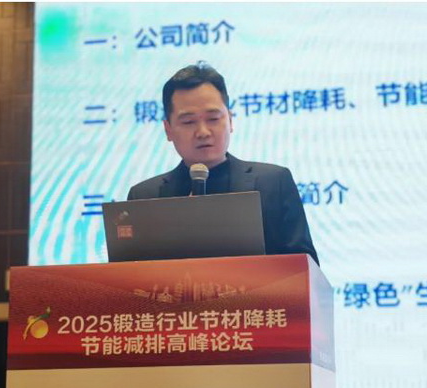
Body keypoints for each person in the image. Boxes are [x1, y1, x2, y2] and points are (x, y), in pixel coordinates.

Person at [128, 62, 319, 265]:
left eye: (213, 118)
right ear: (168, 129)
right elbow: (129, 278)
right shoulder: (144, 198)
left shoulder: (273, 183)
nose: (203, 132)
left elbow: (305, 270)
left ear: (230, 120)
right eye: (188, 122)